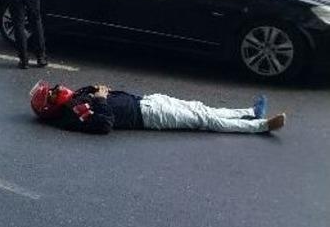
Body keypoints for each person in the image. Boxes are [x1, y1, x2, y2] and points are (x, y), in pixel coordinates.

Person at [30, 82, 286, 135]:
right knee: (204, 119)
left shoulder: (75, 97)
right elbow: (104, 124)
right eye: (52, 93)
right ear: (51, 107)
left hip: (147, 101)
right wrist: (100, 98)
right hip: (149, 115)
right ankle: (260, 126)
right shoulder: (74, 115)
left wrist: (97, 91)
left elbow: (101, 94)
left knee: (200, 107)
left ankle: (250, 112)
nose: (57, 89)